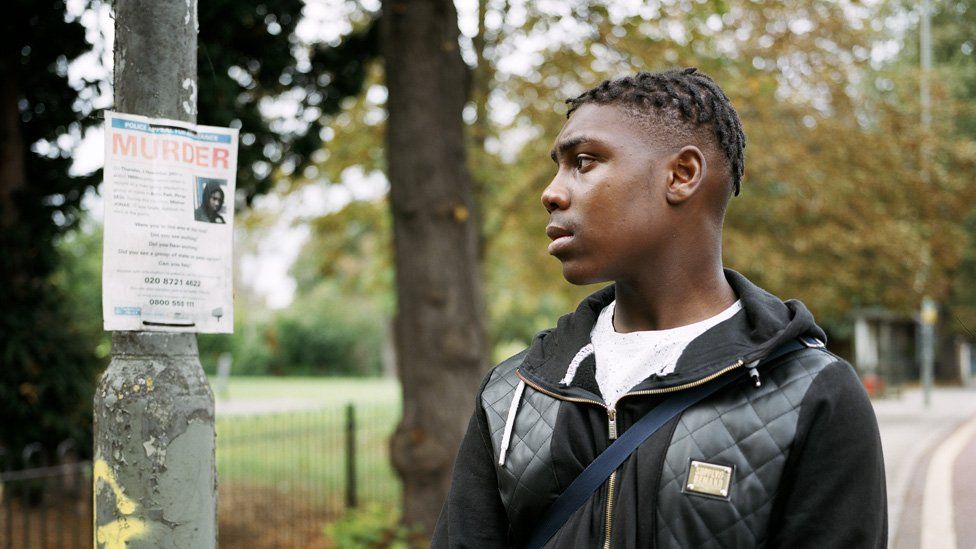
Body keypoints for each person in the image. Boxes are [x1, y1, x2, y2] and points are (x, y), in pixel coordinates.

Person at [432, 68, 886, 548]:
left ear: (682, 175)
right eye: (558, 167)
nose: (551, 192)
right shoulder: (514, 392)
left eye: (583, 162)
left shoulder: (810, 393)